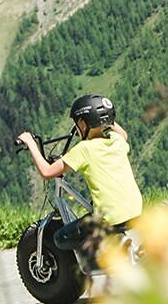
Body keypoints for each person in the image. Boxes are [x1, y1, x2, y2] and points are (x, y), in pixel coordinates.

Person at [17, 94, 144, 251]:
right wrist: (105, 118)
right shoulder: (117, 141)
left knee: (61, 237)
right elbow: (123, 134)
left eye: (77, 123)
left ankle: (113, 244)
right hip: (135, 212)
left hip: (110, 219)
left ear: (83, 124)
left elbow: (47, 172)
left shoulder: (84, 149)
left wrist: (30, 143)